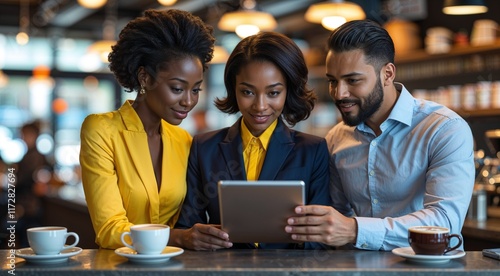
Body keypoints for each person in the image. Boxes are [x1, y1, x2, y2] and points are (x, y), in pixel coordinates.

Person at [284, 20, 475, 251]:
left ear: (387, 73)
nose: (339, 93)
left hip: (430, 272)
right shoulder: (336, 138)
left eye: (353, 80)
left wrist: (355, 230)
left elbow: (445, 222)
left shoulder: (444, 129)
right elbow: (337, 218)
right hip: (360, 272)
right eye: (333, 81)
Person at [173, 31, 332, 250]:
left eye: (273, 93)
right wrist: (196, 237)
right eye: (247, 92)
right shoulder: (204, 148)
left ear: (289, 90)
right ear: (233, 89)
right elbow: (187, 226)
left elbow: (321, 240)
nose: (260, 106)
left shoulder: (313, 151)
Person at [79, 9, 215, 249]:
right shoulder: (101, 129)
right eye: (177, 88)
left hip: (174, 266)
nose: (189, 101)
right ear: (145, 78)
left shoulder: (183, 139)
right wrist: (179, 237)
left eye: (195, 90)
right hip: (119, 266)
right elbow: (109, 229)